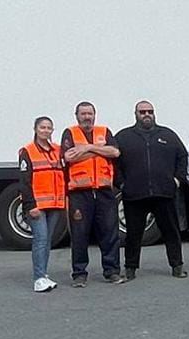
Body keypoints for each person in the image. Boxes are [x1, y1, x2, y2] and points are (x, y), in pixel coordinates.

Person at [114, 101, 189, 280]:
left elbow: (183, 157)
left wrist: (177, 180)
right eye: (142, 112)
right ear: (136, 114)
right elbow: (113, 164)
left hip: (163, 193)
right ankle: (130, 268)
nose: (146, 114)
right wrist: (121, 184)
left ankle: (177, 266)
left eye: (150, 111)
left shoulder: (167, 135)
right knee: (133, 234)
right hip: (134, 195)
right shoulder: (124, 137)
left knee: (171, 231)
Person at [62, 102, 124, 287]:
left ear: (95, 115)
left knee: (110, 232)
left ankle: (112, 271)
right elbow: (69, 157)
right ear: (77, 115)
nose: (87, 117)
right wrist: (99, 150)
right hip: (80, 193)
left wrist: (87, 148)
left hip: (104, 191)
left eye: (90, 113)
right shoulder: (70, 133)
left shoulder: (104, 131)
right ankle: (79, 274)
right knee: (80, 234)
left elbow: (115, 152)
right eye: (83, 114)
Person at [19, 116, 67, 293]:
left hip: (54, 203)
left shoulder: (57, 150)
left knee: (47, 241)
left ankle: (44, 274)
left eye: (49, 128)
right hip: (37, 206)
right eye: (42, 127)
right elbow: (24, 182)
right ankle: (38, 278)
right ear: (35, 129)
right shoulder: (28, 151)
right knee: (40, 239)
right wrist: (31, 205)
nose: (46, 131)